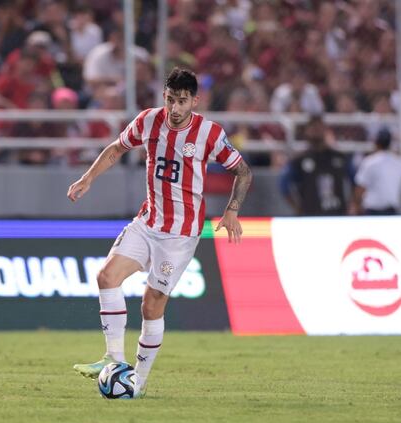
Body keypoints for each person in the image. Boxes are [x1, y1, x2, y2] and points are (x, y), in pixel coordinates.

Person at [67, 67, 252, 397]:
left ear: (195, 101)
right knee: (107, 277)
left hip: (180, 236)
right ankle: (113, 358)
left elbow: (242, 171)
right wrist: (88, 178)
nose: (175, 109)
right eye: (170, 100)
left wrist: (233, 210)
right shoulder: (148, 121)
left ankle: (138, 380)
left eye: (182, 101)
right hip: (147, 221)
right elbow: (115, 149)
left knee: (151, 306)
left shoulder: (209, 133)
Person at [279, 115, 354, 215]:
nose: (316, 130)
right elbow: (283, 184)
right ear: (306, 131)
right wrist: (296, 207)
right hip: (310, 214)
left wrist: (353, 204)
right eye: (313, 127)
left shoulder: (340, 157)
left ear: (325, 130)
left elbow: (356, 181)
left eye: (319, 127)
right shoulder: (299, 161)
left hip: (337, 214)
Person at [352, 128, 401, 215]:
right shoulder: (398, 162)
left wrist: (355, 206)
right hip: (391, 211)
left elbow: (360, 188)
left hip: (373, 211)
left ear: (376, 143)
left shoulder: (370, 162)